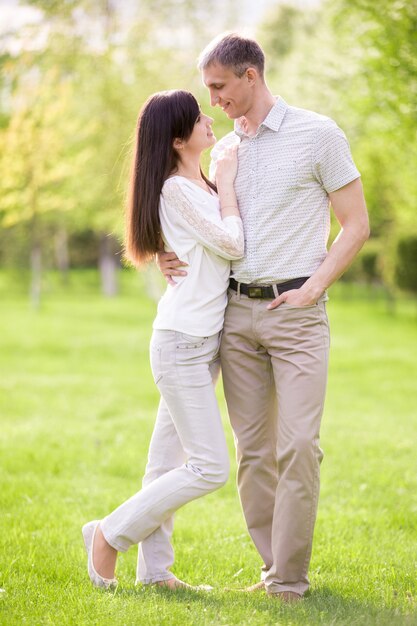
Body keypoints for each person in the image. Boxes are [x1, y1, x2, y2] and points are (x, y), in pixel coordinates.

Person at [157, 33, 370, 603]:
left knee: (298, 445)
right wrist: (161, 250)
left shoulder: (318, 134)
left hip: (296, 315)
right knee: (252, 452)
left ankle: (290, 582)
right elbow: (191, 219)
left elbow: (356, 224)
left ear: (251, 75)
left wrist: (313, 289)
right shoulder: (222, 152)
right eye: (209, 90)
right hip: (234, 317)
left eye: (220, 86)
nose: (214, 99)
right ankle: (277, 572)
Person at [82, 89, 244, 590]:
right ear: (177, 139)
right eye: (198, 117)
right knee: (211, 467)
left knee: (163, 465)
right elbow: (233, 243)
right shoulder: (178, 189)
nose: (209, 118)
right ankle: (109, 533)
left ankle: (155, 573)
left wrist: (222, 183)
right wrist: (231, 185)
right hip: (182, 346)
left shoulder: (199, 183)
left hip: (200, 345)